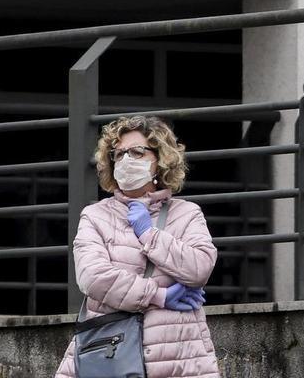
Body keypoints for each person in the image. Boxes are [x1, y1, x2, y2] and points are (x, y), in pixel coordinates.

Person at [54, 115, 220, 378]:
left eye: (137, 152)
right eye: (118, 155)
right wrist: (159, 296)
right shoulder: (95, 216)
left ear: (160, 159)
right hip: (110, 358)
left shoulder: (187, 214)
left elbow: (199, 268)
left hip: (182, 360)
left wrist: (148, 233)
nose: (126, 161)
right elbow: (93, 277)